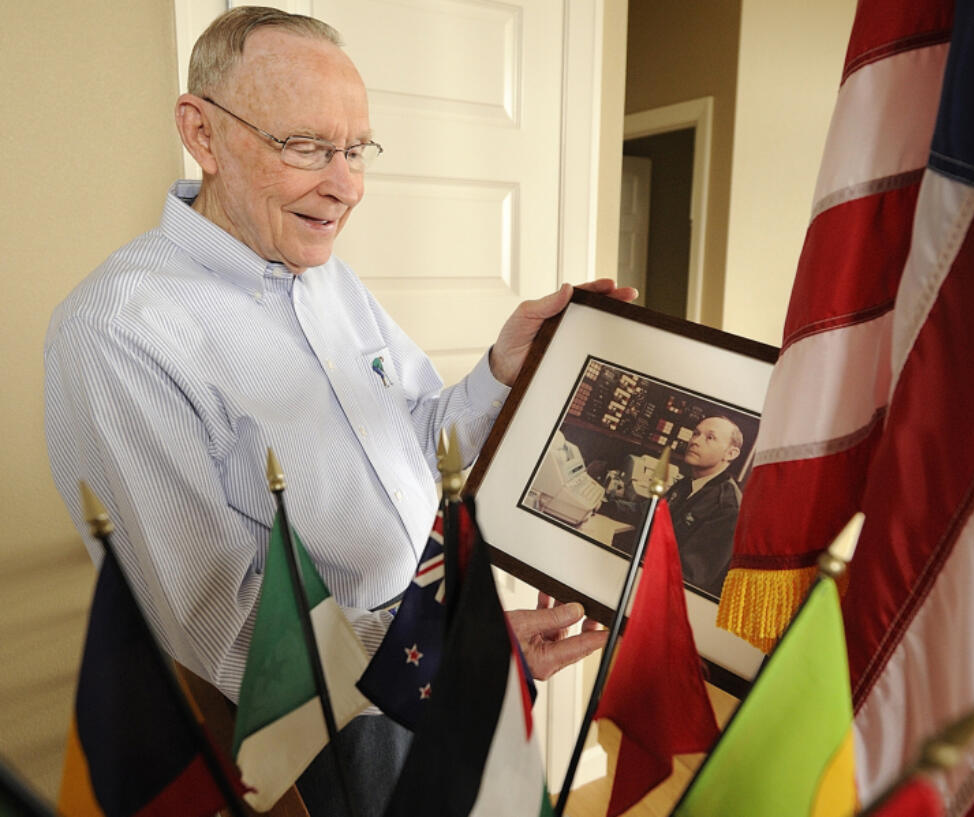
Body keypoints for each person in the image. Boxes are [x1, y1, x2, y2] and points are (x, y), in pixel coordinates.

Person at [42, 7, 631, 813]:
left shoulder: (324, 277)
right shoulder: (118, 332)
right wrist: (438, 656)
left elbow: (423, 440)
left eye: (355, 149)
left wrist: (505, 369)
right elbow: (224, 633)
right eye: (307, 147)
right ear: (202, 133)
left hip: (429, 645)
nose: (346, 185)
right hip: (321, 726)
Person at [605, 415, 744, 596]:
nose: (695, 441)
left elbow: (688, 577)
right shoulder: (688, 483)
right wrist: (603, 503)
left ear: (730, 453)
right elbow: (647, 512)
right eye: (696, 434)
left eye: (710, 437)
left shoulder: (728, 508)